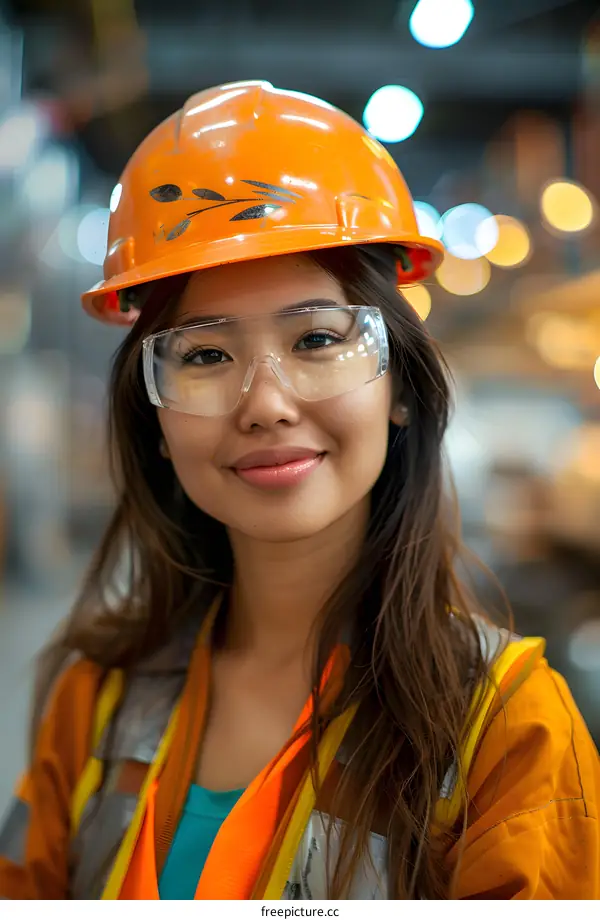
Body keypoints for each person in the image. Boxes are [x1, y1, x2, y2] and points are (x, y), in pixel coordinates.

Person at [0, 81, 598, 901]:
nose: (267, 403)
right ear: (156, 420)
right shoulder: (95, 699)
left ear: (399, 389)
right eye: (206, 356)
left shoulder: (511, 733)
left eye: (317, 338)